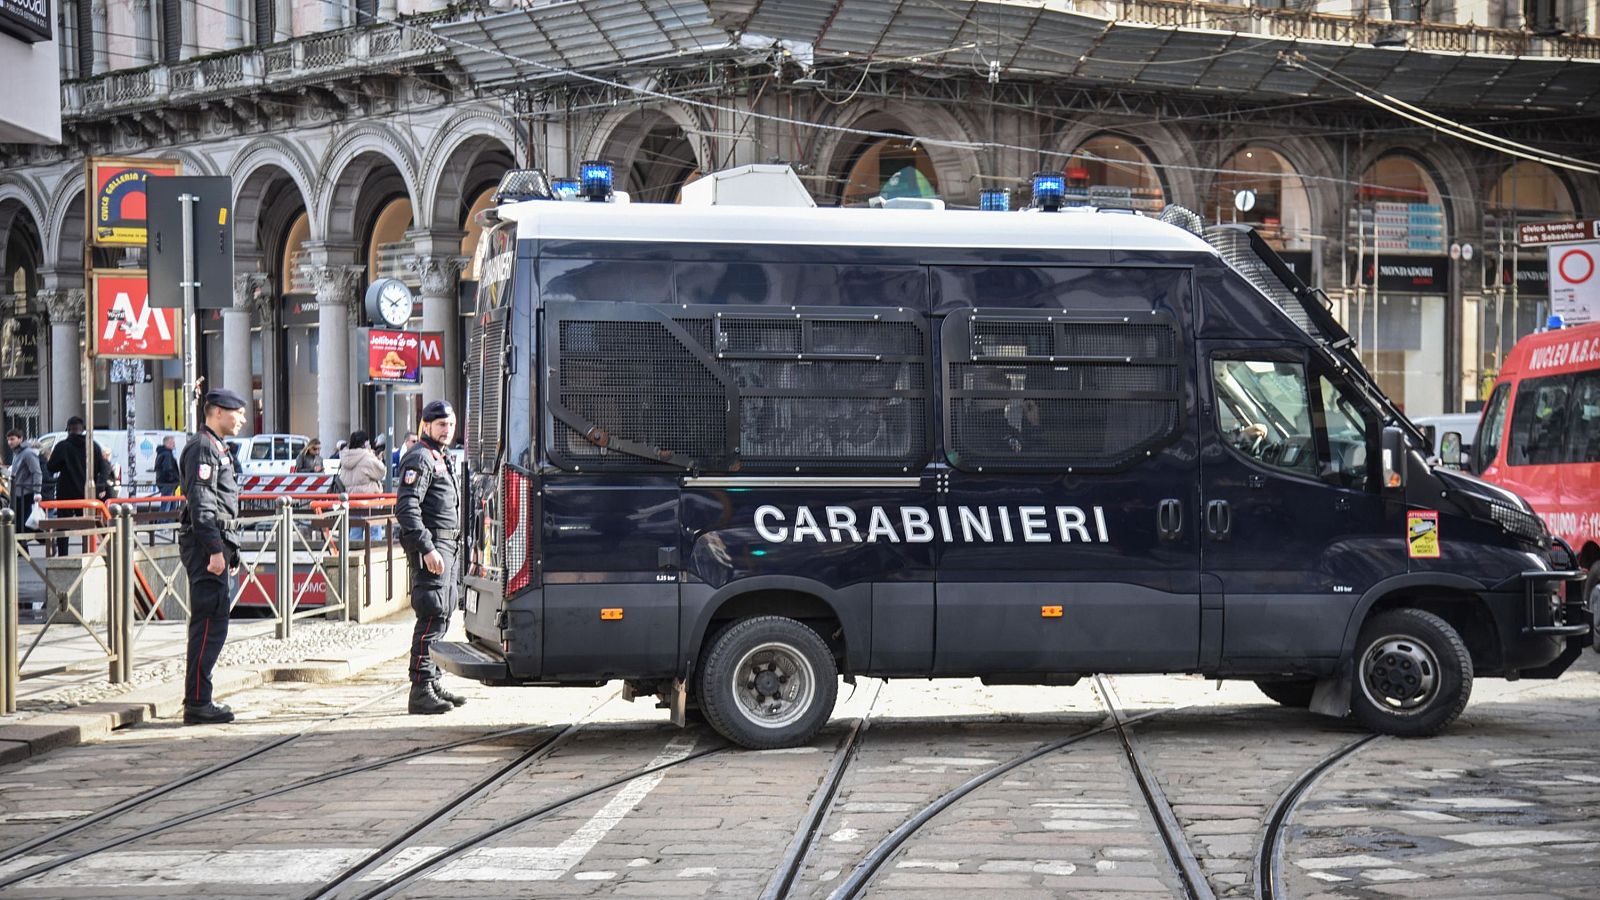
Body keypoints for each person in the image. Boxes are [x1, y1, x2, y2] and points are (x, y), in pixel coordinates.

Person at [178, 389, 247, 725]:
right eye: (238, 413)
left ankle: (199, 698)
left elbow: (220, 503)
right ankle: (197, 702)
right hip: (207, 546)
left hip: (217, 544)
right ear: (218, 412)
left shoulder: (216, 447)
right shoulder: (204, 447)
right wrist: (215, 550)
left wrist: (229, 548)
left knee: (213, 623)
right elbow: (202, 504)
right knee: (207, 625)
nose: (242, 419)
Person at [395, 400, 465, 715]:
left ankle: (433, 680)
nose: (447, 430)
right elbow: (407, 508)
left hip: (448, 546)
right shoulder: (420, 457)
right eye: (441, 425)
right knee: (432, 613)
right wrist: (427, 548)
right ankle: (420, 689)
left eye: (450, 425)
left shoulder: (440, 458)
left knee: (444, 612)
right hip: (434, 547)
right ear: (426, 425)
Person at [47, 416, 111, 554]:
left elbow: (51, 467)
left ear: (68, 429)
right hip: (86, 492)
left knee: (63, 524)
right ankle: (88, 552)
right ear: (82, 430)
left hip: (66, 492)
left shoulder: (62, 446)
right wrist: (100, 484)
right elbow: (104, 466)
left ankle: (63, 554)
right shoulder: (92, 445)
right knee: (87, 524)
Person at [7, 429, 42, 533]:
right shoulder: (17, 453)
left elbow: (37, 472)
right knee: (21, 525)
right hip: (18, 493)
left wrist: (37, 492)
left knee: (23, 526)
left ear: (20, 439)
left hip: (26, 493)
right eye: (8, 440)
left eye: (12, 439)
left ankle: (45, 539)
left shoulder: (28, 453)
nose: (10, 442)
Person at [337, 431, 387, 496]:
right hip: (368, 498)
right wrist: (378, 459)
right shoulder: (367, 458)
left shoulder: (345, 457)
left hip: (350, 497)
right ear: (365, 443)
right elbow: (381, 472)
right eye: (369, 443)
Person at [154, 436, 181, 512]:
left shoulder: (162, 453)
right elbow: (168, 469)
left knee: (168, 505)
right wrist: (173, 480)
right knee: (168, 506)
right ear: (168, 443)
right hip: (168, 484)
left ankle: (166, 521)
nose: (174, 445)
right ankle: (165, 522)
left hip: (164, 483)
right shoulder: (167, 454)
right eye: (173, 442)